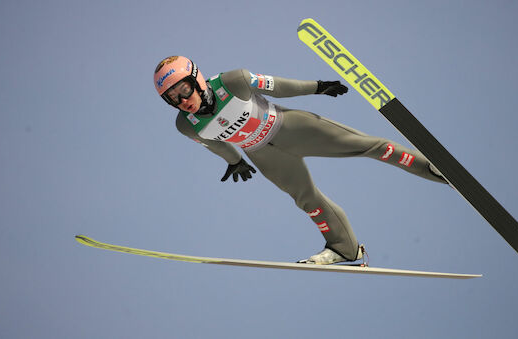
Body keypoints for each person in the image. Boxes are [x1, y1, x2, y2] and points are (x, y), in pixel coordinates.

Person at [153, 56, 446, 265]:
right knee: (307, 200)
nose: (182, 100)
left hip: (291, 128)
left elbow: (277, 86)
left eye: (184, 90)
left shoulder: (233, 81)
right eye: (173, 98)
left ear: (198, 79)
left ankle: (436, 169)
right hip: (263, 154)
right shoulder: (186, 125)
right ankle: (345, 250)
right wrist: (233, 161)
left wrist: (317, 86)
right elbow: (213, 144)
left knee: (366, 146)